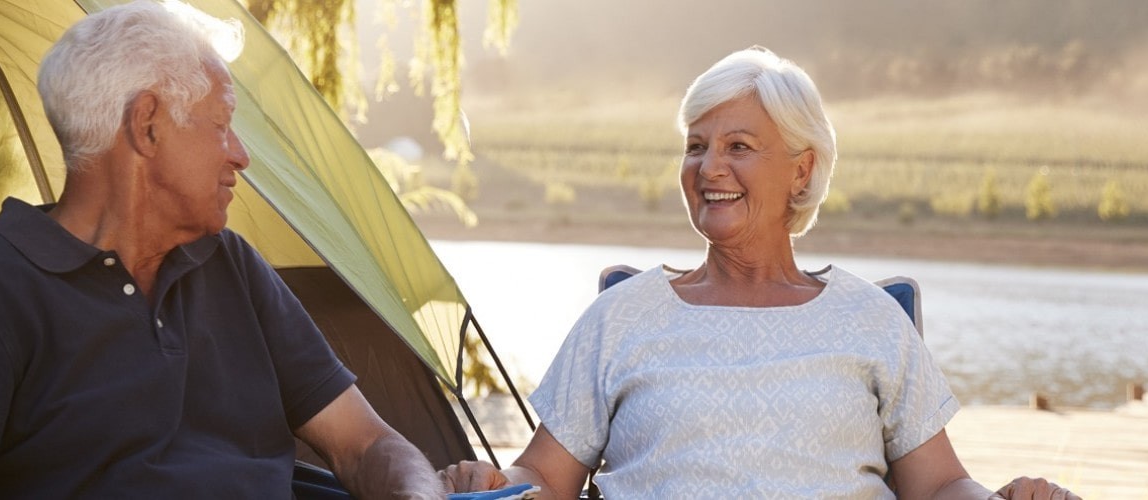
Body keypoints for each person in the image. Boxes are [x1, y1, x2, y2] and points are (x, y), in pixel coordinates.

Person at [441, 47, 1079, 499]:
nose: (708, 168)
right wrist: (495, 484)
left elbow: (938, 486)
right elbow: (546, 479)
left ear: (801, 170)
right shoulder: (623, 315)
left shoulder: (868, 319)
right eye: (696, 146)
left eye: (738, 147)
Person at [0, 2, 444, 498]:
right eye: (221, 124)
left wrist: (420, 495)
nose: (241, 155)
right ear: (146, 125)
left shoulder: (232, 266)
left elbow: (365, 446)